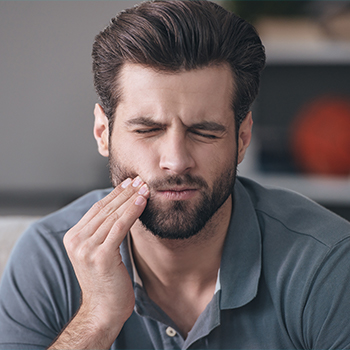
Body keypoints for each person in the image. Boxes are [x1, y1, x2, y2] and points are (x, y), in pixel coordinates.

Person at [1, 0, 350, 349]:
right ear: (102, 134)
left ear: (242, 138)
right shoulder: (47, 258)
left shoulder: (328, 264)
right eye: (147, 130)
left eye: (204, 131)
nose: (176, 161)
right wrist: (96, 320)